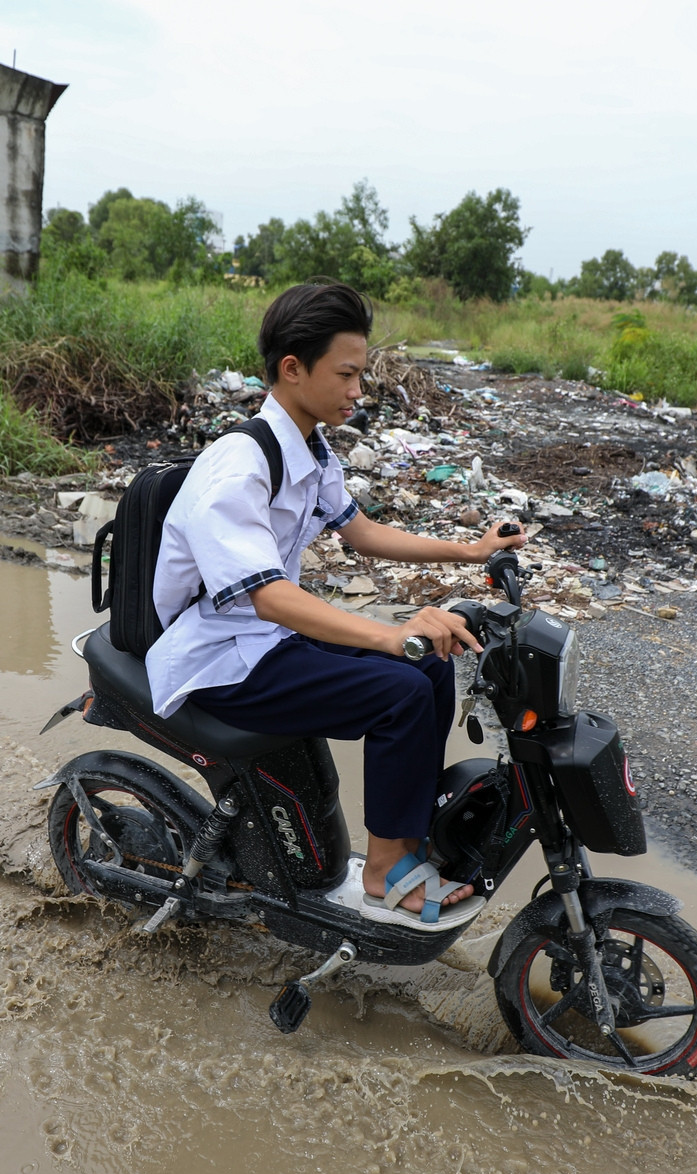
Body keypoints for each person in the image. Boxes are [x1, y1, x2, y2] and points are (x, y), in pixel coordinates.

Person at [145, 282, 526, 931]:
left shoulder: (312, 449)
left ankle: (402, 846)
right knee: (399, 690)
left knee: (430, 666)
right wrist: (388, 633)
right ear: (293, 369)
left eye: (360, 374)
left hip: (263, 638)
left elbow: (361, 531)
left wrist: (470, 552)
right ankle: (382, 873)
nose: (358, 391)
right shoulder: (237, 470)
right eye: (347, 374)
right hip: (220, 657)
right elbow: (268, 596)